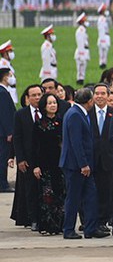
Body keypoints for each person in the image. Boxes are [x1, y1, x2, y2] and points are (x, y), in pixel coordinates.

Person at [59, 88, 109, 240]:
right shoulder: (75, 115)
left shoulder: (78, 112)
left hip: (83, 165)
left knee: (91, 196)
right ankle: (68, 229)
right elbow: (76, 142)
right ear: (89, 101)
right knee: (73, 198)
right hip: (76, 166)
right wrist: (83, 164)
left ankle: (91, 228)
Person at [10, 85, 43, 229]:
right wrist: (20, 158)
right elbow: (17, 138)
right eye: (34, 95)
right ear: (27, 98)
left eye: (39, 94)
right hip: (28, 159)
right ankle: (33, 218)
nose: (37, 98)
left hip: (44, 158)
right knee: (30, 189)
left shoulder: (48, 112)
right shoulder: (21, 114)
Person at [31, 93, 64, 235]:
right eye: (49, 103)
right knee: (46, 196)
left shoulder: (62, 121)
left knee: (60, 194)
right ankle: (46, 225)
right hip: (44, 165)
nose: (53, 105)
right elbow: (34, 146)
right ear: (44, 106)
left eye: (54, 103)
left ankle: (60, 225)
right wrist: (35, 165)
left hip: (60, 164)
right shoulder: (39, 124)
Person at [89, 83, 113, 233]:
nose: (100, 96)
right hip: (91, 159)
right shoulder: (87, 113)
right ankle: (89, 219)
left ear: (108, 96)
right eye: (97, 93)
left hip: (108, 160)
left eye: (103, 93)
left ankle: (102, 221)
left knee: (106, 192)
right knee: (90, 192)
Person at [0, 68, 16, 192]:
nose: (12, 78)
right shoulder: (2, 92)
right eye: (10, 75)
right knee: (3, 157)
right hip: (3, 133)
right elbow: (5, 114)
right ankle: (3, 184)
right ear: (5, 77)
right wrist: (9, 131)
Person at [74, 12, 90, 85]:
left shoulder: (83, 30)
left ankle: (81, 79)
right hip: (81, 51)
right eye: (85, 21)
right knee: (80, 67)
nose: (87, 22)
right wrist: (81, 54)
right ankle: (79, 80)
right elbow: (80, 43)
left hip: (85, 50)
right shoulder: (80, 31)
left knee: (83, 67)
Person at [0, 39, 18, 104]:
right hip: (7, 90)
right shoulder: (2, 64)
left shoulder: (7, 63)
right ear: (5, 53)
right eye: (10, 51)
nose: (12, 53)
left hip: (11, 90)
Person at [97, 4, 111, 69]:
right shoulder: (102, 19)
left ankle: (103, 63)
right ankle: (102, 63)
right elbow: (101, 30)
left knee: (105, 50)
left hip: (105, 36)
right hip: (104, 36)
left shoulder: (104, 19)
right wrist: (102, 40)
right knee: (103, 50)